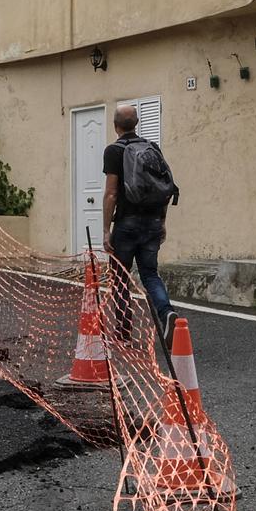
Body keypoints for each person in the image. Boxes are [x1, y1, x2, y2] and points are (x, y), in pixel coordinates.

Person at [101, 104, 174, 342]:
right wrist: (161, 221)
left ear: (115, 126)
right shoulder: (152, 148)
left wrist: (106, 230)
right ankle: (167, 314)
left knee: (120, 276)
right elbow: (164, 188)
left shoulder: (114, 151)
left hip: (127, 223)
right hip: (152, 221)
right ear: (137, 123)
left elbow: (111, 193)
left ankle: (123, 330)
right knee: (150, 274)